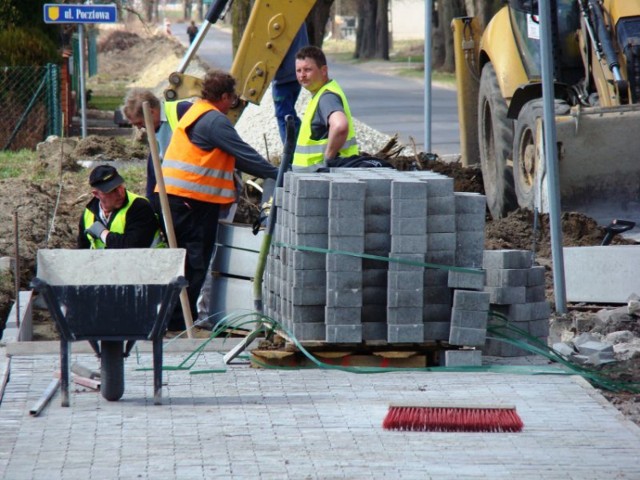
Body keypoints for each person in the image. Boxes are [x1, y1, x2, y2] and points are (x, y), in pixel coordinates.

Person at [159, 69, 278, 330]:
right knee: (195, 261)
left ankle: (174, 319)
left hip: (180, 199)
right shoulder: (214, 121)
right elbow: (245, 155)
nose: (233, 104)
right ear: (224, 96)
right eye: (233, 98)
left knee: (182, 260)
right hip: (193, 201)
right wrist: (279, 174)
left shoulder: (194, 109)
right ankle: (179, 323)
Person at [292, 45, 359, 172]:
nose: (302, 75)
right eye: (299, 70)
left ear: (323, 71)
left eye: (307, 70)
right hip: (314, 181)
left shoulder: (326, 97)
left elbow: (340, 126)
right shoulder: (322, 94)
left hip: (319, 181)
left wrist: (328, 160)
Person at [122, 88, 192, 199]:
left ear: (151, 112)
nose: (139, 128)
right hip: (177, 194)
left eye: (139, 123)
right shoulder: (154, 130)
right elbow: (154, 168)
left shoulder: (183, 111)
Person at [78, 164, 164, 249]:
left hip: (149, 261)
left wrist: (103, 233)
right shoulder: (88, 215)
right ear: (96, 194)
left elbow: (132, 247)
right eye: (112, 191)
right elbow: (82, 251)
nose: (120, 193)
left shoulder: (140, 206)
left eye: (120, 186)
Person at [272, 23, 309, 144]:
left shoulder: (280, 17)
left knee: (285, 118)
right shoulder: (297, 14)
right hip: (295, 74)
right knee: (289, 115)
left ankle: (293, 155)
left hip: (283, 76)